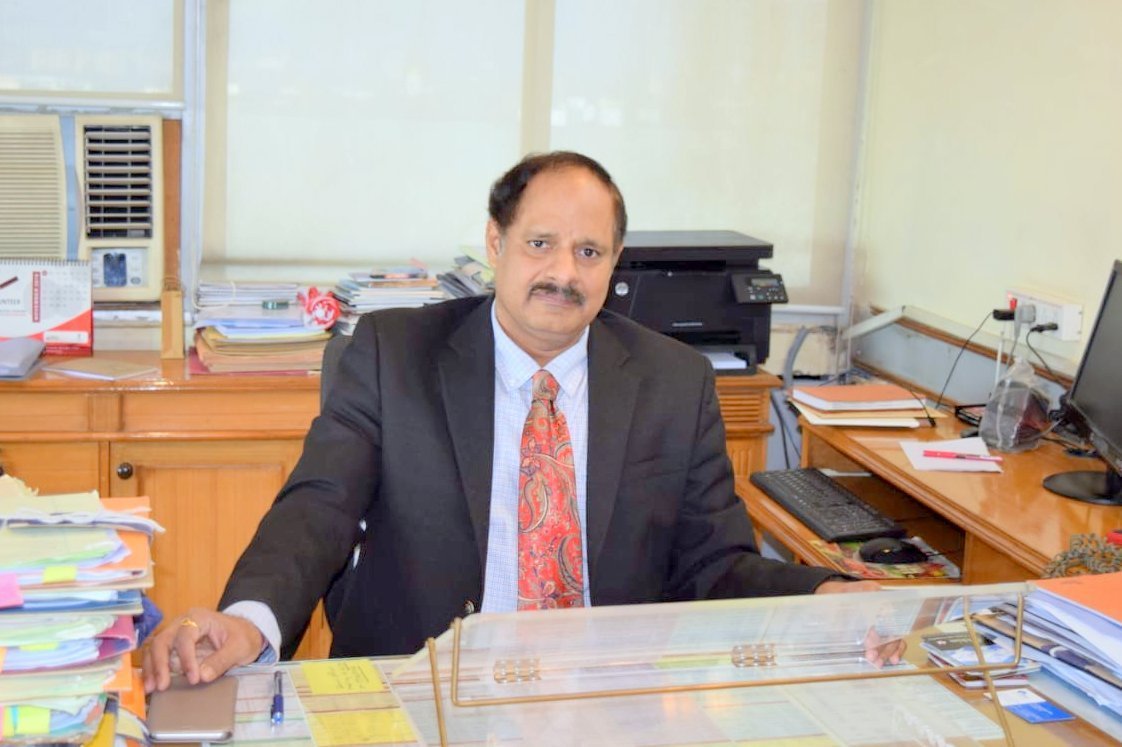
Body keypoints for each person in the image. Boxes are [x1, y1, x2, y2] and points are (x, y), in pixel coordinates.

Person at [144, 151, 892, 693]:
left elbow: (714, 565)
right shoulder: (394, 353)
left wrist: (820, 597)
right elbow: (320, 506)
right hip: (425, 688)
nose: (564, 272)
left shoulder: (673, 382)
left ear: (614, 265)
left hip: (601, 696)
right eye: (540, 243)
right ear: (495, 243)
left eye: (589, 251)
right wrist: (250, 619)